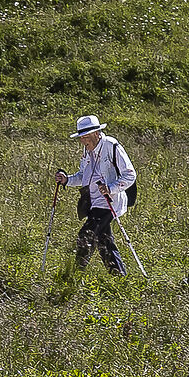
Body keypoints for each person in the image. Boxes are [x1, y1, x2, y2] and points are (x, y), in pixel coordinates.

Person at [55, 114, 136, 273]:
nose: (83, 141)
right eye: (81, 137)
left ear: (97, 133)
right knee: (104, 241)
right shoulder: (87, 151)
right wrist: (66, 180)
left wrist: (110, 188)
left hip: (109, 202)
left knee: (86, 236)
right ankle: (118, 275)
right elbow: (83, 176)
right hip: (92, 202)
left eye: (86, 137)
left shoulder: (111, 146)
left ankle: (74, 275)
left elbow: (130, 174)